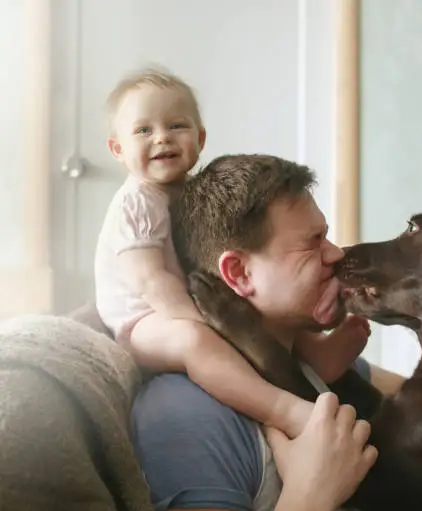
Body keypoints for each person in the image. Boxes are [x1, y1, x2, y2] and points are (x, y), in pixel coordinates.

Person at [131, 154, 422, 511]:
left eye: (327, 234)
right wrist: (310, 497)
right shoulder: (191, 416)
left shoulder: (312, 370)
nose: (336, 254)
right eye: (312, 243)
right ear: (239, 274)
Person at [94, 67, 370, 439]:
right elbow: (149, 280)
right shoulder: (136, 203)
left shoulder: (188, 192)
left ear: (201, 138)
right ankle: (282, 408)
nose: (162, 138)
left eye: (176, 125)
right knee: (197, 343)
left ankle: (314, 360)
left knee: (272, 312)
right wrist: (200, 323)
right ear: (117, 149)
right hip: (142, 317)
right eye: (144, 130)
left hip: (187, 296)